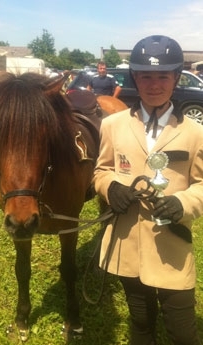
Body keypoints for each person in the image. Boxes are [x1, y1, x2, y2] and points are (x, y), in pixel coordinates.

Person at [93, 35, 203, 345]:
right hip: (129, 247)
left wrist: (184, 203)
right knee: (140, 325)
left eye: (162, 76)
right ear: (135, 79)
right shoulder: (112, 125)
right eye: (146, 77)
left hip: (171, 248)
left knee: (182, 332)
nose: (154, 85)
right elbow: (102, 169)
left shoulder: (195, 133)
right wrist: (110, 187)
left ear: (176, 79)